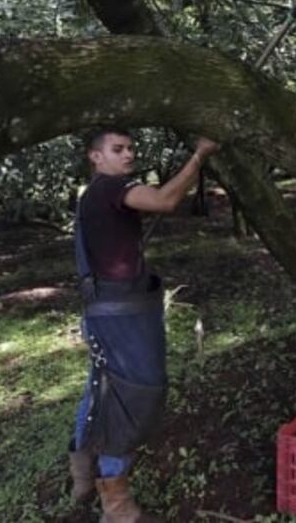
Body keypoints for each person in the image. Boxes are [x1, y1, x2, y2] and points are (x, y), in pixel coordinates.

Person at [70, 127, 219, 522]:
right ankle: (117, 506)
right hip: (120, 319)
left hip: (105, 313)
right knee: (131, 397)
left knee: (100, 387)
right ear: (95, 157)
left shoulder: (91, 197)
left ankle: (82, 474)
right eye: (118, 149)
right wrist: (199, 155)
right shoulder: (109, 187)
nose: (129, 155)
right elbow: (165, 200)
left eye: (131, 148)